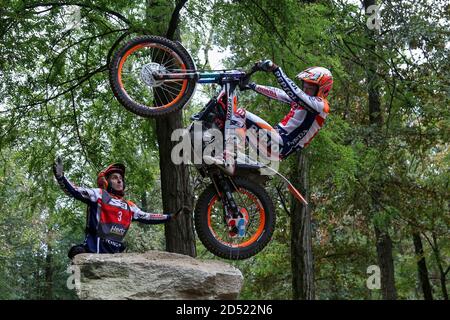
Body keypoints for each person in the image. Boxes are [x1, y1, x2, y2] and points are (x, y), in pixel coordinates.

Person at [209, 60, 333, 174]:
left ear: (322, 89)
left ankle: (229, 159)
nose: (305, 89)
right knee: (226, 116)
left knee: (240, 114)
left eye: (310, 87)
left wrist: (276, 70)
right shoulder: (304, 101)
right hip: (274, 143)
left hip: (280, 146)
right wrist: (251, 86)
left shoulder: (321, 106)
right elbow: (279, 94)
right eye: (305, 85)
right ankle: (214, 147)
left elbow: (295, 93)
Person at [52, 157, 183, 259]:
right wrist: (60, 177)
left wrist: (171, 217)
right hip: (93, 252)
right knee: (76, 252)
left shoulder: (130, 206)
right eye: (115, 178)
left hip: (115, 256)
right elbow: (74, 191)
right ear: (106, 181)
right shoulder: (98, 194)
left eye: (121, 178)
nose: (120, 180)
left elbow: (147, 217)